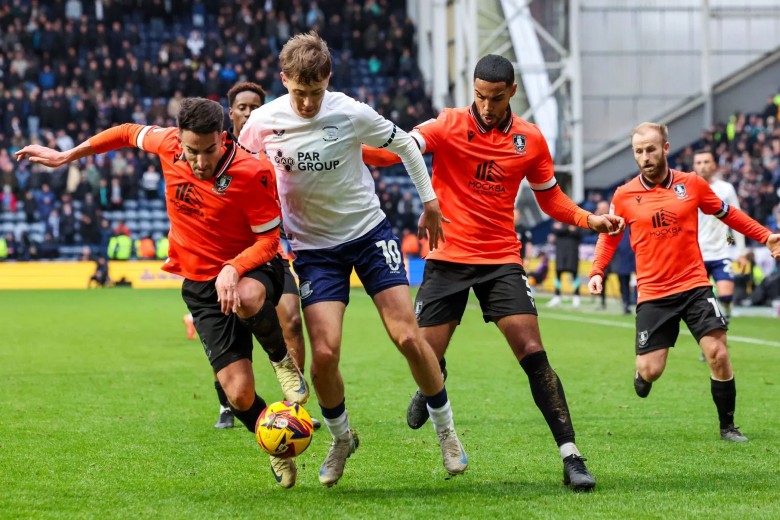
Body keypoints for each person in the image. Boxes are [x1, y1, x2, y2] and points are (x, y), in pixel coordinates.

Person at [15, 97, 309, 489]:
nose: (201, 161)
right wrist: (67, 155)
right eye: (192, 151)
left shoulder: (251, 172)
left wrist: (233, 268)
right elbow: (123, 132)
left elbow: (270, 240)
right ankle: (277, 447)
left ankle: (282, 362)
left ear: (223, 138)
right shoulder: (166, 142)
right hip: (201, 286)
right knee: (238, 395)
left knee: (249, 296)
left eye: (209, 150)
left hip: (251, 265)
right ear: (179, 141)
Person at [363, 54, 624, 491]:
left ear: (512, 93)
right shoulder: (447, 124)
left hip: (501, 259)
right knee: (423, 352)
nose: (486, 106)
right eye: (480, 96)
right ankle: (432, 378)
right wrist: (350, 143)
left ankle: (571, 456)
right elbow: (398, 150)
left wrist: (588, 220)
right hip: (447, 257)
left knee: (532, 350)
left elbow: (550, 197)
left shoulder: (531, 140)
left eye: (496, 98)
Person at [239, 32, 468, 487]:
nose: (307, 103)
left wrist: (430, 202)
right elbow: (241, 174)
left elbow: (405, 144)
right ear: (284, 80)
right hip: (313, 250)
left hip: (368, 234)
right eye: (299, 93)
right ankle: (342, 439)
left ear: (329, 79)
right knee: (323, 355)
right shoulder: (262, 123)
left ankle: (447, 432)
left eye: (316, 92)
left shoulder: (349, 111)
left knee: (406, 336)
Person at [588, 122, 780, 443]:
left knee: (717, 352)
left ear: (665, 148)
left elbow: (728, 214)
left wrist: (766, 236)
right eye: (638, 151)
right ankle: (642, 372)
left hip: (694, 284)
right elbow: (609, 236)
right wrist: (596, 271)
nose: (645, 157)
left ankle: (728, 426)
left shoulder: (692, 184)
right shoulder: (623, 196)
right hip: (653, 293)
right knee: (652, 370)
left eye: (650, 149)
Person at [194, 80, 319, 431]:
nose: (249, 113)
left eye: (255, 108)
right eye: (243, 107)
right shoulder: (207, 152)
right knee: (231, 328)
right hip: (216, 263)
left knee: (291, 320)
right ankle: (227, 403)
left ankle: (291, 410)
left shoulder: (274, 149)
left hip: (268, 253)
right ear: (231, 113)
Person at [694, 149, 744, 322]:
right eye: (699, 163)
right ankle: (709, 343)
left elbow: (737, 220)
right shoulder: (687, 190)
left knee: (726, 296)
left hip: (721, 252)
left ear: (714, 165)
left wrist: (741, 252)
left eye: (706, 162)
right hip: (696, 255)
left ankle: (727, 312)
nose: (703, 166)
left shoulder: (726, 189)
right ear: (694, 166)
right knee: (699, 303)